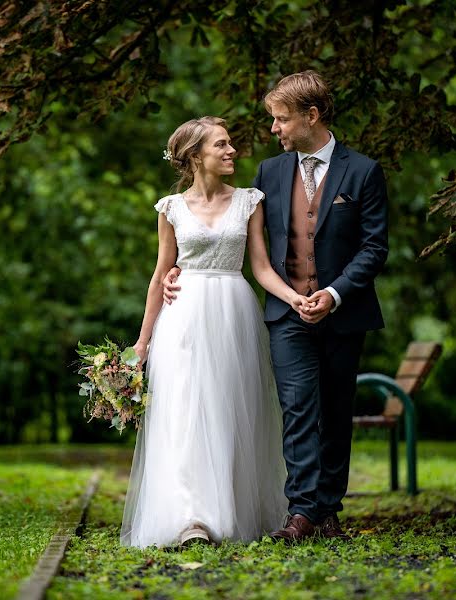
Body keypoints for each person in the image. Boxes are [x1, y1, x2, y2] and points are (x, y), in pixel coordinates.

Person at [164, 71, 389, 543]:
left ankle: (328, 508)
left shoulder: (363, 171)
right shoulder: (270, 174)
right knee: (297, 407)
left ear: (312, 116)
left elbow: (374, 248)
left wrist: (334, 294)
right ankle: (302, 510)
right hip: (286, 314)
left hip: (344, 312)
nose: (273, 130)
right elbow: (239, 241)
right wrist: (179, 270)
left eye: (281, 120)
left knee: (334, 408)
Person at [120, 116, 309, 548]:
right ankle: (191, 520)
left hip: (232, 312)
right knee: (185, 411)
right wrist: (142, 342)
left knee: (227, 411)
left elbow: (260, 266)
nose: (232, 152)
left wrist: (294, 298)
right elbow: (159, 275)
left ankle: (227, 508)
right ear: (194, 156)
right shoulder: (170, 209)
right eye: (221, 146)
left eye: (231, 145)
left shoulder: (249, 201)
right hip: (182, 317)